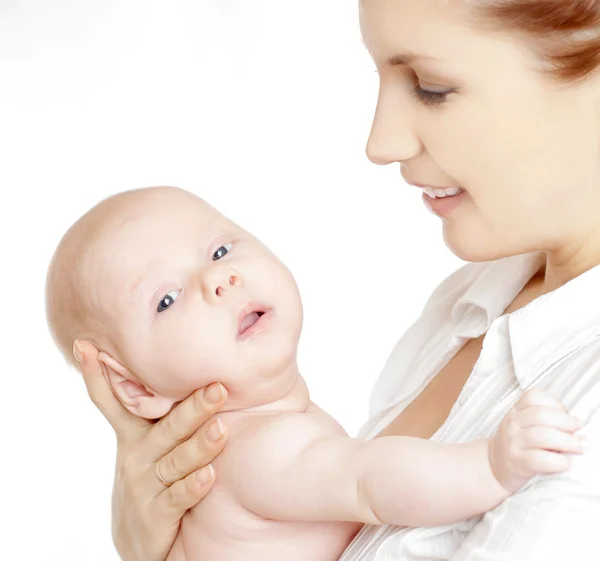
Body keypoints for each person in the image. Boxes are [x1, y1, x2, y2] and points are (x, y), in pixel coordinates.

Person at [72, 1, 600, 559]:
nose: (381, 143)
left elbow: (368, 482)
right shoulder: (466, 305)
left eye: (430, 86)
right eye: (167, 299)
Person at [46, 186, 582, 561]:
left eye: (220, 249)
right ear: (134, 387)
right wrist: (490, 466)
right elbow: (370, 482)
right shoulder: (253, 450)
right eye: (166, 298)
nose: (219, 278)